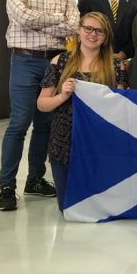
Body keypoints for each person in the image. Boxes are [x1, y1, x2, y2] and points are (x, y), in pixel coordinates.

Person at [0, 0, 80, 212]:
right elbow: (21, 17)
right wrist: (57, 19)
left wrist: (40, 19)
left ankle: (35, 179)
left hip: (56, 62)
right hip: (25, 60)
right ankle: (7, 186)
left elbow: (73, 25)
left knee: (45, 124)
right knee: (19, 123)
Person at [37, 12, 126, 210]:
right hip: (64, 142)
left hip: (101, 141)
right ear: (78, 30)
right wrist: (62, 96)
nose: (93, 34)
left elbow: (120, 106)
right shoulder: (60, 61)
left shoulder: (115, 65)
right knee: (68, 207)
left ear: (106, 37)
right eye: (88, 28)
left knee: (99, 207)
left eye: (100, 31)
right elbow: (42, 104)